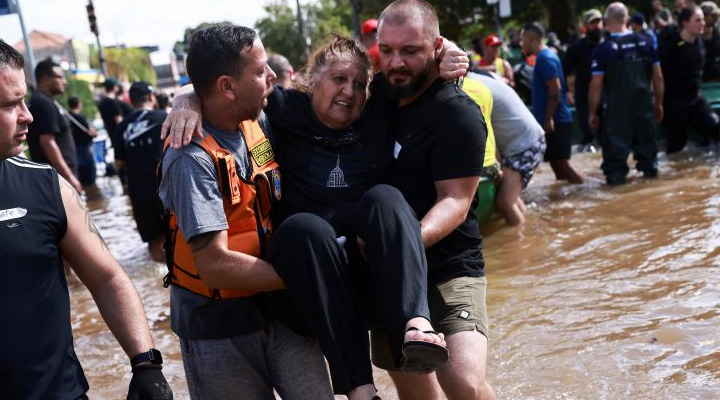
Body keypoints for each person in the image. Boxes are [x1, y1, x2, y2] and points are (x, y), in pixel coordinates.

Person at [161, 27, 474, 399]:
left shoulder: (373, 108)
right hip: (274, 287)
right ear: (311, 82)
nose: (349, 91)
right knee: (304, 228)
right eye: (338, 79)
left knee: (386, 197)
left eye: (359, 83)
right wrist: (185, 98)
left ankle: (415, 323)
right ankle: (361, 388)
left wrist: (449, 50)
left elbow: (415, 63)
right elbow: (213, 88)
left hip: (339, 278)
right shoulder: (274, 113)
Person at [158, 25, 374, 400]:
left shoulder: (258, 122)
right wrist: (311, 275)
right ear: (227, 87)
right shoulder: (190, 158)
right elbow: (213, 264)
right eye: (260, 72)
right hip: (219, 329)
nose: (273, 75)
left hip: (283, 312)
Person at [0, 38, 172, 400]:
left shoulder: (47, 187)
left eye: (24, 101)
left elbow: (107, 277)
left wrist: (146, 364)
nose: (27, 115)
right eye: (11, 104)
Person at [372, 1, 495, 399]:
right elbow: (293, 88)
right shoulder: (373, 97)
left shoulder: (457, 113)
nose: (396, 63)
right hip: (386, 272)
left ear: (437, 48)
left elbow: (455, 203)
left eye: (410, 51)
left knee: (463, 383)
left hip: (450, 263)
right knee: (415, 390)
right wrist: (188, 95)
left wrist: (399, 247)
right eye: (387, 51)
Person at [589, 2, 664, 184]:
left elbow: (596, 86)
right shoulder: (646, 43)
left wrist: (592, 112)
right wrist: (658, 104)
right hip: (643, 108)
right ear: (627, 19)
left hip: (616, 113)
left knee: (615, 169)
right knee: (649, 163)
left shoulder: (603, 50)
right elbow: (658, 77)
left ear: (606, 22)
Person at [467, 71, 546, 226]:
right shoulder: (482, 78)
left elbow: (485, 131)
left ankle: (521, 243)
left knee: (505, 202)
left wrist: (495, 163)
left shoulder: (471, 88)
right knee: (512, 197)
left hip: (522, 145)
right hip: (530, 139)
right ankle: (525, 227)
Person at [521, 22, 585, 184]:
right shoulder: (547, 56)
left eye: (523, 40)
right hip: (555, 119)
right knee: (557, 164)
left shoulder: (544, 58)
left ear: (530, 38)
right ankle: (569, 199)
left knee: (562, 164)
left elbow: (555, 88)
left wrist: (549, 118)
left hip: (556, 120)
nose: (522, 44)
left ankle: (584, 189)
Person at [115, 81, 166, 262]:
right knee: (179, 233)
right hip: (166, 186)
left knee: (154, 239)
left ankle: (163, 280)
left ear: (132, 102)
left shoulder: (122, 126)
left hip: (139, 190)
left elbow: (119, 163)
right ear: (151, 97)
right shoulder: (163, 117)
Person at [659, 5, 720, 153]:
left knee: (714, 126)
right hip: (674, 100)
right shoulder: (670, 45)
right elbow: (657, 72)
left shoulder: (700, 42)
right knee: (677, 144)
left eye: (702, 20)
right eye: (698, 20)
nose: (703, 24)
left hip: (695, 97)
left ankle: (708, 163)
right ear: (685, 23)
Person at [26, 59, 81, 193]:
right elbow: (48, 143)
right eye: (60, 77)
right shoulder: (43, 103)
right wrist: (69, 177)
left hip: (56, 178)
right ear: (46, 79)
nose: (64, 82)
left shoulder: (44, 101)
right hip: (58, 180)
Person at [564, 8, 604, 151]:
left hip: (605, 95)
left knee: (606, 134)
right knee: (588, 133)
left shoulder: (608, 45)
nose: (596, 26)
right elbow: (563, 70)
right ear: (586, 26)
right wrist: (567, 92)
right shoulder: (576, 48)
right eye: (592, 23)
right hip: (583, 96)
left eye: (598, 22)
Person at [98, 78, 133, 181]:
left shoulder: (102, 103)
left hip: (112, 135)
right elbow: (119, 121)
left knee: (119, 159)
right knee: (126, 162)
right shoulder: (113, 102)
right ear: (114, 87)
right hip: (121, 137)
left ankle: (124, 182)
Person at [67, 95, 98, 186]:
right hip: (85, 149)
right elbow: (91, 132)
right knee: (90, 178)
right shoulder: (80, 118)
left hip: (73, 150)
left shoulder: (67, 117)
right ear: (79, 104)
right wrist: (95, 133)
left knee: (81, 178)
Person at [701, 1, 720, 81]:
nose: (717, 18)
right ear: (704, 16)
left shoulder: (719, 33)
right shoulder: (695, 35)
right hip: (701, 80)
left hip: (718, 78)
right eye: (713, 16)